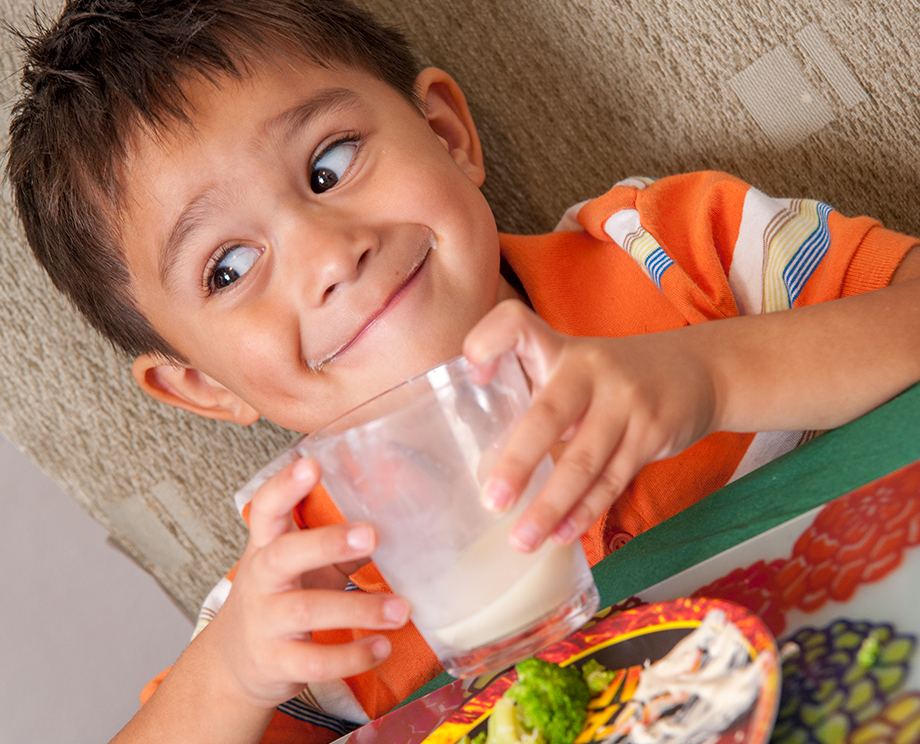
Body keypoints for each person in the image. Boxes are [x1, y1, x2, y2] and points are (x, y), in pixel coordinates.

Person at [6, 0, 920, 742]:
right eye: (229, 269)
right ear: (201, 387)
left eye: (329, 165)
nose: (329, 256)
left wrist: (714, 375)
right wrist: (234, 670)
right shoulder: (305, 579)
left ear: (446, 133)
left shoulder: (671, 254)